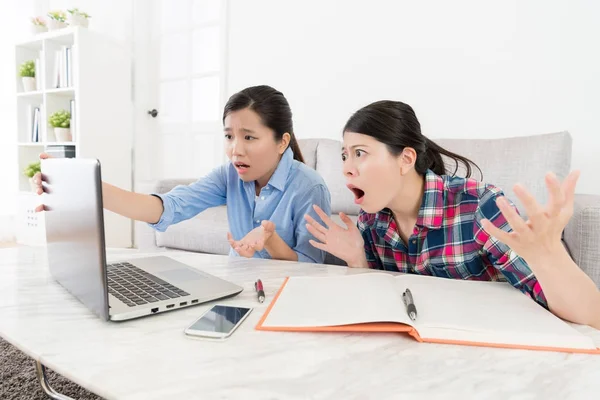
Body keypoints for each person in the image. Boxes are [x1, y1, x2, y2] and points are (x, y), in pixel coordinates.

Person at [305, 100, 600, 329]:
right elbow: (379, 306)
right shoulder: (372, 220)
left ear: (406, 159)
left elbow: (589, 318)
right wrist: (357, 258)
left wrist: (551, 258)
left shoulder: (479, 206)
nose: (345, 167)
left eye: (360, 152)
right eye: (344, 155)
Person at [34, 85, 331, 263]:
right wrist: (89, 188)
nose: (235, 150)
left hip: (286, 296)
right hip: (240, 285)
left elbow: (311, 267)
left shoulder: (309, 187)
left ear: (282, 141)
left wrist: (270, 240)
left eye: (249, 138)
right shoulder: (230, 174)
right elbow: (168, 207)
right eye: (229, 136)